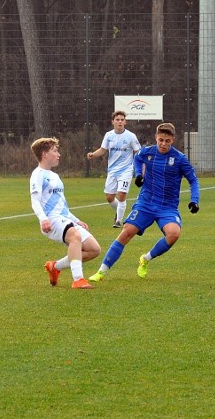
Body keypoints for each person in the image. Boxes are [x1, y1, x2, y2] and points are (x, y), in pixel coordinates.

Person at [88, 122, 200, 282]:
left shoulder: (179, 159)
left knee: (174, 234)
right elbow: (137, 159)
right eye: (160, 140)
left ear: (173, 140)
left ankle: (145, 259)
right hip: (146, 203)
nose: (163, 144)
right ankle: (101, 272)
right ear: (156, 137)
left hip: (167, 207)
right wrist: (139, 174)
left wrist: (194, 200)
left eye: (167, 141)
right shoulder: (147, 153)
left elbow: (193, 181)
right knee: (126, 232)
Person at [30, 137, 102, 289]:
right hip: (51, 220)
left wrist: (76, 220)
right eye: (55, 151)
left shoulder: (54, 176)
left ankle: (55, 267)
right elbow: (35, 201)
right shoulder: (38, 174)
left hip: (63, 218)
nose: (58, 154)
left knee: (94, 249)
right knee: (75, 237)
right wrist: (43, 219)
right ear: (44, 154)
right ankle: (78, 280)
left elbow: (61, 205)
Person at [86, 110, 141, 227]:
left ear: (125, 122)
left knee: (121, 194)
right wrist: (93, 154)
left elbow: (138, 151)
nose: (120, 122)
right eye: (117, 120)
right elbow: (103, 149)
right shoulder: (109, 135)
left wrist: (140, 165)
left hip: (126, 170)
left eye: (122, 120)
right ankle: (119, 211)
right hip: (112, 170)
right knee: (110, 197)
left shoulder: (131, 136)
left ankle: (119, 221)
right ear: (113, 122)